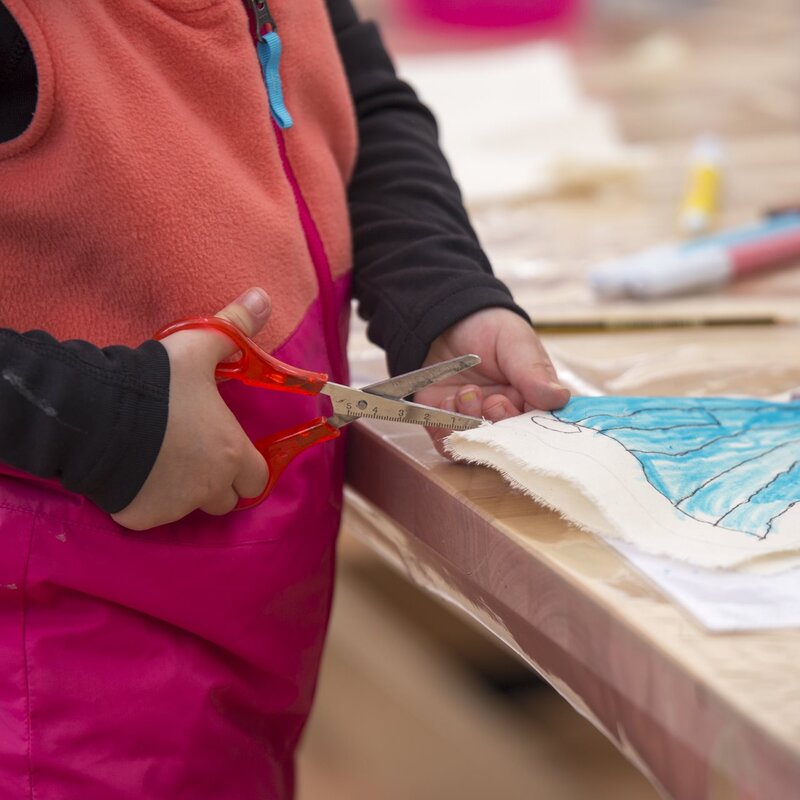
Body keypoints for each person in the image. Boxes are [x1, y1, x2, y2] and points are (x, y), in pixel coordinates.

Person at [0, 0, 569, 797]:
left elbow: (349, 87)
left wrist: (437, 289)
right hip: (54, 687)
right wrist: (104, 422)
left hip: (232, 642)